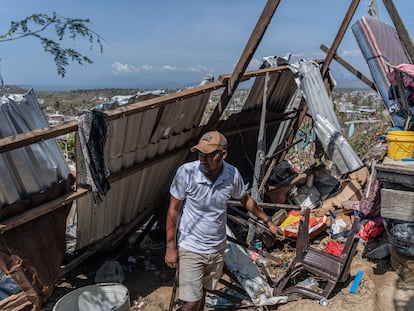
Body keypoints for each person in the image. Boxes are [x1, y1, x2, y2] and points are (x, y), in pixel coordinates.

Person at [165, 130, 284, 311]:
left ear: (223, 154)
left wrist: (268, 222)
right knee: (191, 302)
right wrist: (170, 247)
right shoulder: (187, 173)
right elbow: (173, 210)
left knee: (204, 293)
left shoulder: (231, 175)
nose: (203, 160)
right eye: (200, 154)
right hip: (191, 247)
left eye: (209, 155)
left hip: (217, 248)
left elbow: (246, 200)